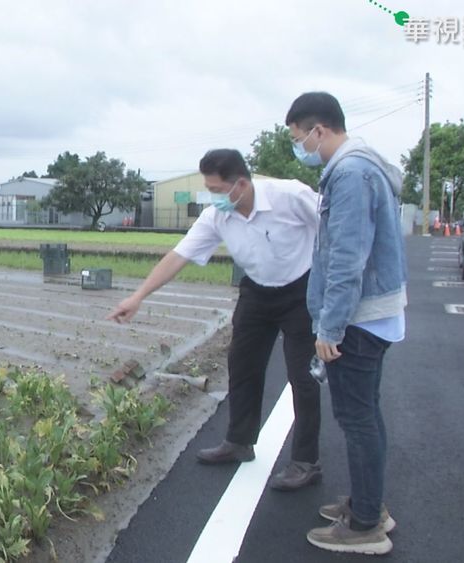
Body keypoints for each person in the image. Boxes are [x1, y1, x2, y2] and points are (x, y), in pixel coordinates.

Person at [106, 148, 323, 491]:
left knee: (302, 376)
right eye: (210, 190)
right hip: (257, 291)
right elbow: (179, 255)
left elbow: (335, 229)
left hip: (301, 291)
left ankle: (305, 461)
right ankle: (239, 442)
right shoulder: (216, 216)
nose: (214, 198)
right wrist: (138, 296)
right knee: (242, 365)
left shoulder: (291, 195)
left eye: (218, 190)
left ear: (241, 183)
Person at [285, 92, 407, 555]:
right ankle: (368, 505)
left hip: (357, 320)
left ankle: (364, 526)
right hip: (373, 314)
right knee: (366, 415)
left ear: (319, 130)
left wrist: (329, 329)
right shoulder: (361, 167)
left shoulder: (351, 174)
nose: (301, 147)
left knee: (357, 420)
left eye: (300, 139)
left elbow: (347, 259)